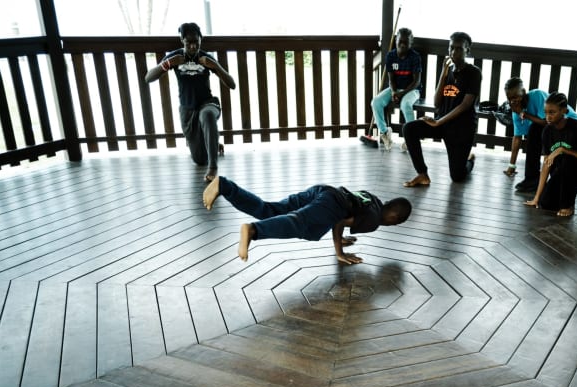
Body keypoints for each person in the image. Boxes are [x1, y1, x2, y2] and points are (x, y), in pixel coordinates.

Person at [202, 176, 412, 265]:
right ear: (394, 218)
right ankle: (253, 231)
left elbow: (347, 213)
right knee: (300, 224)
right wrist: (339, 252)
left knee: (270, 210)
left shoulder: (373, 199)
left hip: (324, 191)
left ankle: (225, 186)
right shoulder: (374, 221)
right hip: (331, 205)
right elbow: (339, 221)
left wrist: (343, 238)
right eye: (396, 223)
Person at [145, 22, 236, 182]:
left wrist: (216, 67)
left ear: (201, 40)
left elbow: (232, 84)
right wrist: (167, 65)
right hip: (188, 110)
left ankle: (213, 167)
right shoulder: (175, 57)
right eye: (189, 43)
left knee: (207, 115)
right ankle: (212, 142)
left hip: (208, 103)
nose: (193, 47)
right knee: (200, 159)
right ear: (182, 41)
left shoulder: (206, 58)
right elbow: (148, 78)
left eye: (196, 42)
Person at [402, 32, 482, 187]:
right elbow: (437, 103)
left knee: (457, 176)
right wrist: (443, 76)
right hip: (443, 123)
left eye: (459, 49)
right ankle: (422, 174)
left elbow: (465, 105)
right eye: (451, 48)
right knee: (409, 129)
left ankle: (470, 160)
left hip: (462, 130)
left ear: (468, 51)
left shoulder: (474, 73)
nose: (453, 52)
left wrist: (438, 122)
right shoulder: (448, 71)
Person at [503, 78, 577, 194]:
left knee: (534, 129)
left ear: (523, 92)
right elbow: (517, 137)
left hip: (569, 125)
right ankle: (532, 179)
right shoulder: (516, 110)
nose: (514, 101)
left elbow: (549, 121)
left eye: (516, 96)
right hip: (552, 130)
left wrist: (524, 114)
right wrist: (512, 165)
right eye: (510, 99)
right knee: (533, 131)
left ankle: (553, 179)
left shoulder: (537, 95)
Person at [523, 93, 577, 217]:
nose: (547, 117)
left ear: (564, 111)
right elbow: (546, 164)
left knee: (567, 160)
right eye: (545, 112)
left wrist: (564, 150)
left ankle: (568, 205)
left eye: (552, 112)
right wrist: (536, 197)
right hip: (560, 173)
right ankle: (558, 199)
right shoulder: (547, 131)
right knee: (546, 203)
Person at [371, 27, 423, 152]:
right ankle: (384, 132)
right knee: (376, 102)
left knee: (405, 105)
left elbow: (416, 82)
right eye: (401, 41)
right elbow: (391, 79)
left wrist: (401, 93)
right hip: (395, 89)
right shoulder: (391, 56)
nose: (403, 44)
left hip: (412, 90)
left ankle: (411, 138)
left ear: (411, 43)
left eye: (406, 42)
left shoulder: (415, 57)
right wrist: (394, 92)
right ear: (396, 40)